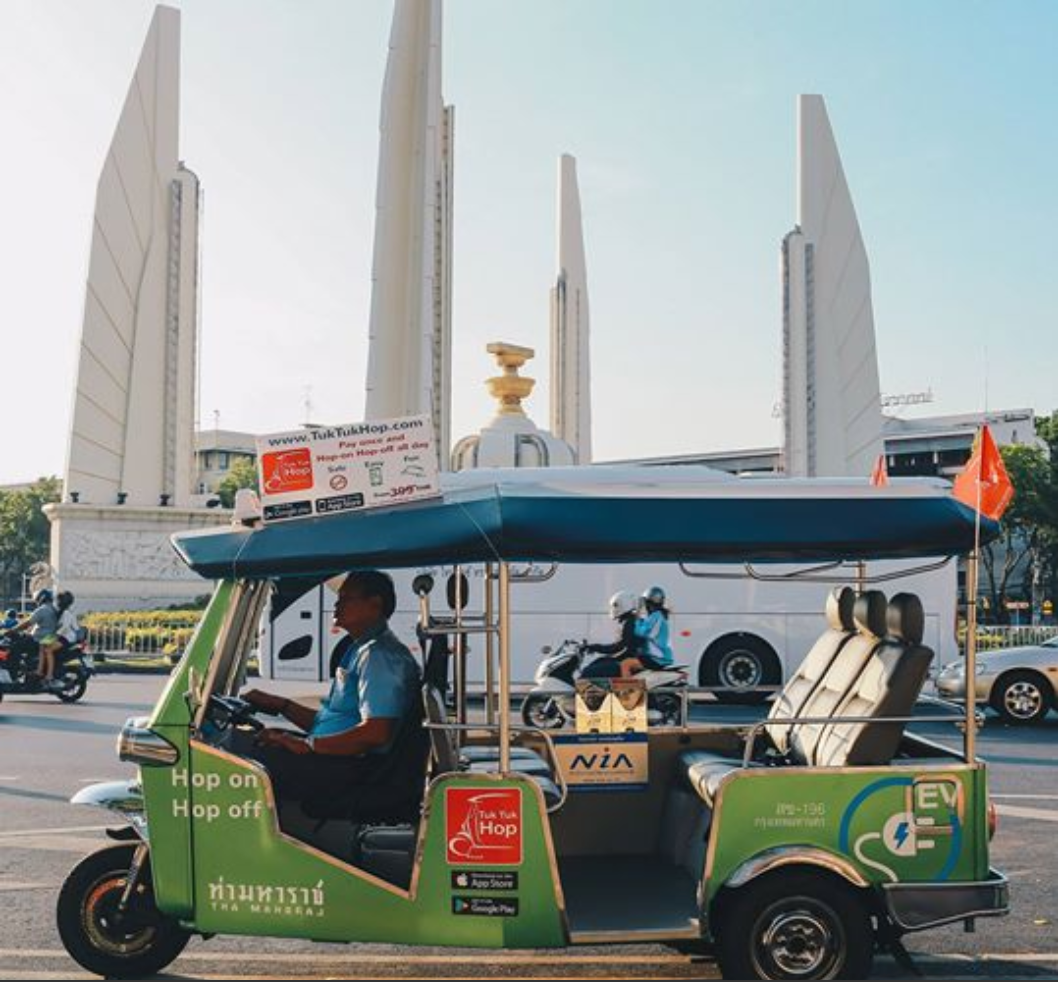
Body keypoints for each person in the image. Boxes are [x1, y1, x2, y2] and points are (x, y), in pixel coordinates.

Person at [241, 570, 421, 804]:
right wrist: (282, 706)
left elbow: (375, 732)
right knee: (265, 741)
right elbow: (335, 721)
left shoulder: (379, 657)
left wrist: (308, 745)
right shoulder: (361, 648)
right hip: (338, 756)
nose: (336, 604)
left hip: (352, 767)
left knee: (244, 760)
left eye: (346, 598)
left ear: (374, 604)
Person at [582, 590, 645, 678]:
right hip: (629, 658)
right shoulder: (631, 621)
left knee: (589, 671)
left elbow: (619, 647)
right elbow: (621, 647)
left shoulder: (630, 623)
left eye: (616, 605)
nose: (614, 608)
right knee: (599, 662)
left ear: (625, 605)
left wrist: (595, 647)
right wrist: (597, 649)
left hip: (629, 661)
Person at [8, 589, 62, 687]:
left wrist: (13, 630)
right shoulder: (54, 609)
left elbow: (28, 622)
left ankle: (13, 677)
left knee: (14, 649)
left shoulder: (43, 609)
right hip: (47, 639)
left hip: (37, 640)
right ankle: (28, 671)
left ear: (41, 598)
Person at [622, 585, 674, 678]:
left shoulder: (656, 616)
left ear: (649, 603)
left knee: (626, 664)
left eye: (645, 603)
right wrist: (640, 620)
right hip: (657, 657)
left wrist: (637, 620)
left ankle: (628, 687)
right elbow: (646, 627)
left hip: (657, 658)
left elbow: (642, 632)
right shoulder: (657, 616)